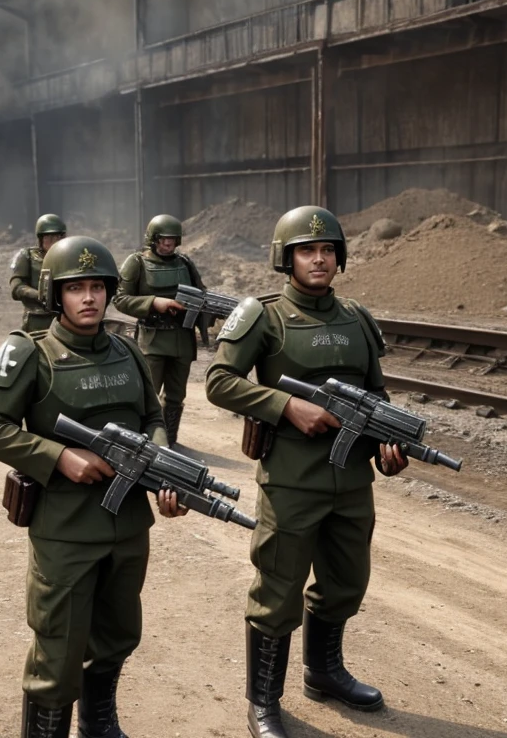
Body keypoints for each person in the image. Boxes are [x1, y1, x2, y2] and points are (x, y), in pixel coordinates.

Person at [204, 206, 408, 738]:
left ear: (338, 258)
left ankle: (325, 672)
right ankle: (264, 700)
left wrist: (389, 439)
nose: (318, 259)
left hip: (352, 479)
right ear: (286, 258)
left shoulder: (357, 318)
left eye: (327, 251)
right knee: (278, 588)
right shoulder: (262, 316)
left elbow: (377, 392)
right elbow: (220, 380)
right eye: (306, 251)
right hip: (292, 480)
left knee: (346, 582)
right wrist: (285, 406)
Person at [0, 235, 186, 738]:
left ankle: (98, 720)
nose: (89, 297)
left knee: (118, 633)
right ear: (55, 294)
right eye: (76, 288)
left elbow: (153, 416)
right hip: (65, 529)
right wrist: (60, 457)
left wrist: (163, 464)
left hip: (128, 522)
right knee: (59, 645)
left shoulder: (128, 351)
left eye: (97, 287)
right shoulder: (29, 352)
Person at [113, 214, 206, 447]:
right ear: (153, 239)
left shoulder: (184, 263)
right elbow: (120, 298)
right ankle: (142, 442)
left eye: (172, 240)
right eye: (163, 240)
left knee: (176, 396)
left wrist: (208, 310)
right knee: (147, 394)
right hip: (152, 339)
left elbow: (201, 293)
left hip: (182, 339)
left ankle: (169, 442)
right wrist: (153, 303)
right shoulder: (137, 262)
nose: (168, 244)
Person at [9, 213, 67, 333]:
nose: (54, 242)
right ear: (40, 239)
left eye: (57, 237)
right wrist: (40, 295)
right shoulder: (27, 256)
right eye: (49, 238)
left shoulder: (69, 257)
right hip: (38, 317)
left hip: (65, 315)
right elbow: (16, 287)